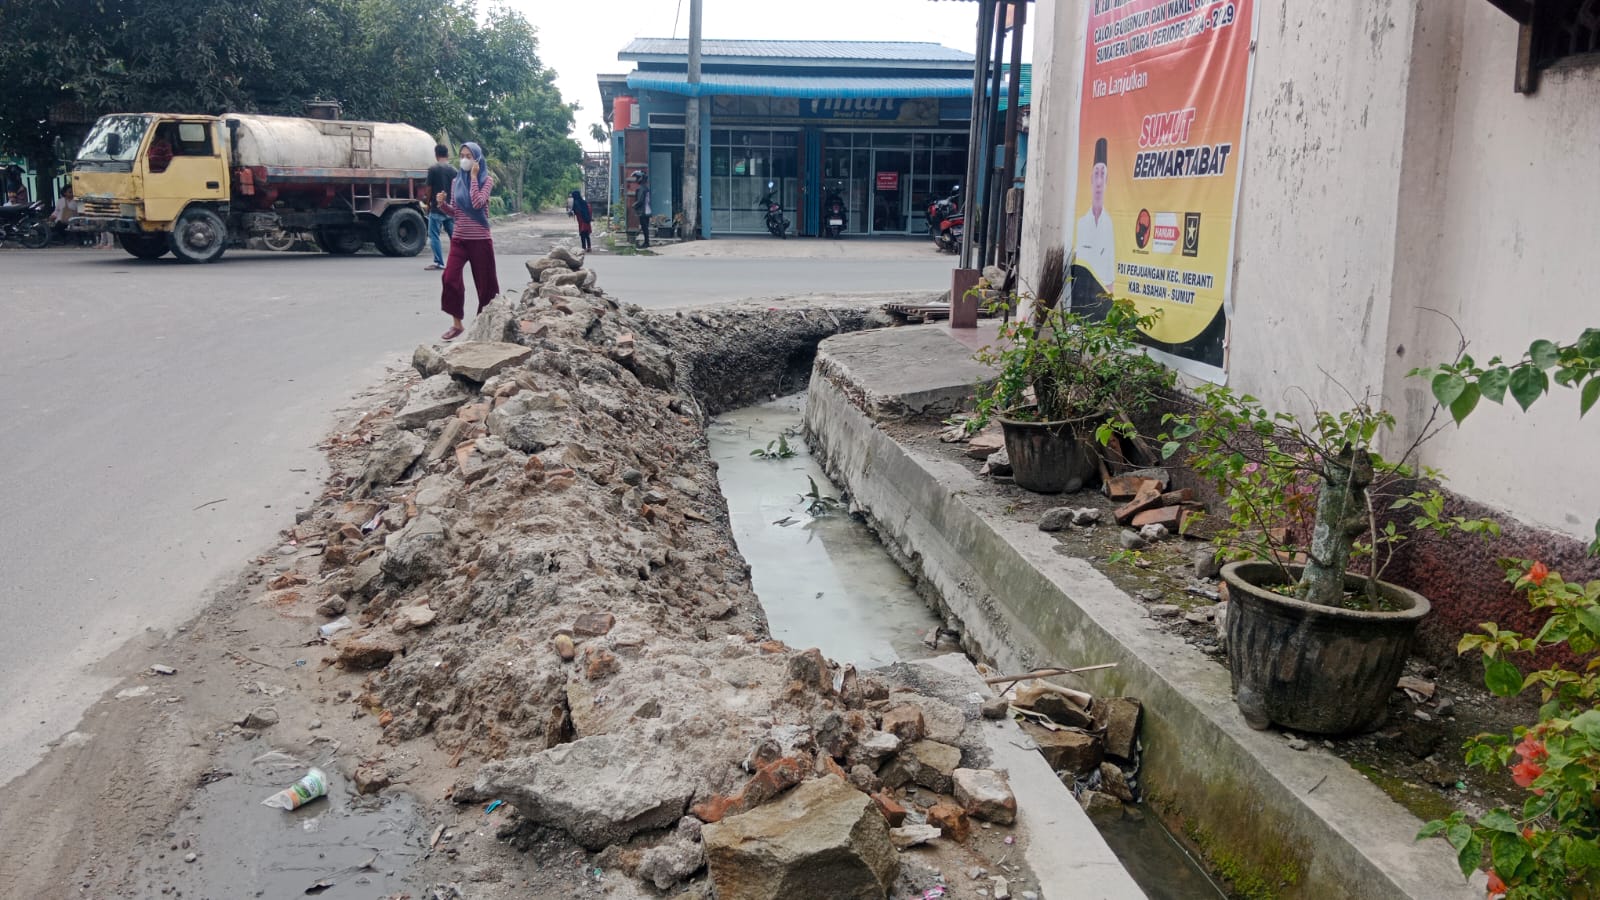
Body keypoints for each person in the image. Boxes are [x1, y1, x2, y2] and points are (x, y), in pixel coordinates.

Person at [436, 142, 499, 341]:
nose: (464, 159)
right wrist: (442, 204)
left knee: (486, 285)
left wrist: (473, 177)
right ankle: (457, 323)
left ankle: (485, 325)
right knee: (449, 277)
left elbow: (477, 203)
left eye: (469, 156)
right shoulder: (456, 182)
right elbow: (456, 212)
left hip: (480, 239)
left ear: (477, 160)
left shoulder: (486, 180)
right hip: (459, 238)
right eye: (462, 155)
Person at [1072, 137, 1116, 313]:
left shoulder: (1110, 224)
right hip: (1081, 299)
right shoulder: (1081, 223)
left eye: (1102, 174)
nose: (1099, 181)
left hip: (1102, 302)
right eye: (1096, 173)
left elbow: (1111, 277)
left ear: (1107, 180)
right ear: (1090, 178)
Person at [424, 143, 455, 271]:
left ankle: (439, 262)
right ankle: (458, 259)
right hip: (450, 208)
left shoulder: (433, 169)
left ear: (436, 155)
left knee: (434, 235)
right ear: (447, 155)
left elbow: (429, 188)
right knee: (454, 236)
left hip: (437, 208)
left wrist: (427, 203)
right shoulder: (454, 171)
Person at [630, 170, 652, 249]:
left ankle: (646, 243)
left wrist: (633, 206)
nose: (636, 179)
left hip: (643, 211)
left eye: (637, 177)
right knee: (645, 227)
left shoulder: (641, 188)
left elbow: (640, 200)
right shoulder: (645, 187)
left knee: (644, 227)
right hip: (647, 210)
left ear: (641, 178)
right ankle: (646, 242)